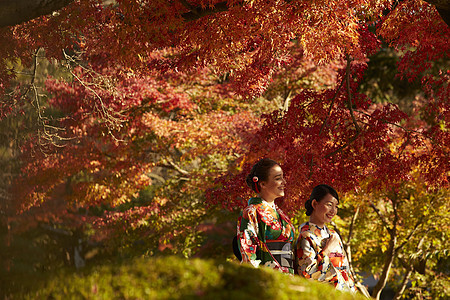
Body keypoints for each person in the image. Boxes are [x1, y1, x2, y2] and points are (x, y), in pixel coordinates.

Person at [294, 184, 358, 292]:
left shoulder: (334, 235)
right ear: (314, 204)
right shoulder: (306, 237)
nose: (333, 211)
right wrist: (327, 251)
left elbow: (346, 270)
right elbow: (309, 275)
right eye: (329, 205)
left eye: (336, 206)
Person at [236, 158, 295, 274]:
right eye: (278, 178)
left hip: (289, 275)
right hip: (268, 275)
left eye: (283, 177)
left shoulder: (281, 214)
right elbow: (248, 251)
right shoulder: (251, 212)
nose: (284, 182)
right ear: (262, 184)